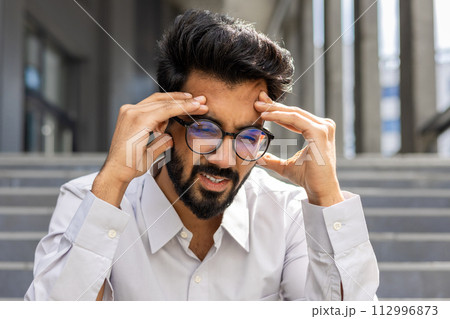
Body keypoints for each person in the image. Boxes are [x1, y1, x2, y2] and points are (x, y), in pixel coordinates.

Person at [25, 9, 378, 301]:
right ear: (163, 123)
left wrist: (327, 197)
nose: (226, 159)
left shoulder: (288, 213)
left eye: (249, 136)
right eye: (205, 129)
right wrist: (113, 182)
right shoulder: (90, 201)